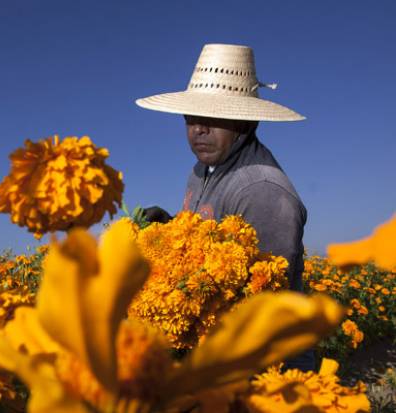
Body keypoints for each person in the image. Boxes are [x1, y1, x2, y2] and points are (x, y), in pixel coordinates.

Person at [135, 43, 314, 371]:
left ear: (245, 124)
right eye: (192, 117)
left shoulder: (263, 192)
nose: (199, 130)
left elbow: (263, 297)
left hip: (266, 367)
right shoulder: (201, 169)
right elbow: (213, 242)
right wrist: (169, 228)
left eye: (213, 119)